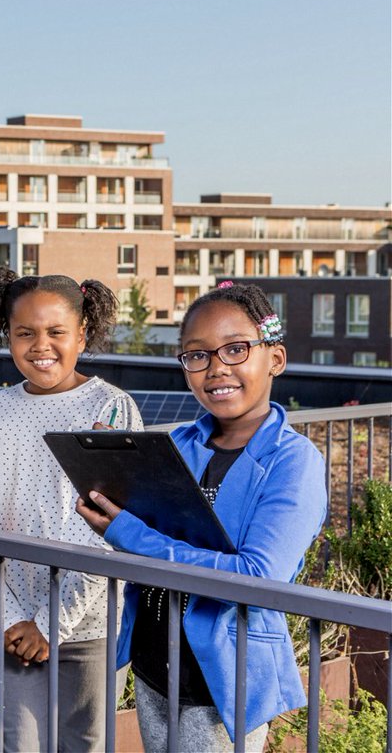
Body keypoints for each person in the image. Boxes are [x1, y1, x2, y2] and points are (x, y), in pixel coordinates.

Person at [76, 281, 326, 752]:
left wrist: (128, 531)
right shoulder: (180, 444)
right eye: (197, 355)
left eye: (235, 349)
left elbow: (257, 574)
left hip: (220, 680)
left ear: (275, 358)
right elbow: (151, 533)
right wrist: (108, 482)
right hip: (155, 663)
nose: (216, 369)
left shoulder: (293, 462)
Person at [0, 267, 142, 752]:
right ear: (8, 337)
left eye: (56, 332)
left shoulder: (113, 409)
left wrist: (49, 623)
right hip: (12, 625)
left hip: (88, 625)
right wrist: (5, 616)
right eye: (25, 333)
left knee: (82, 745)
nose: (40, 345)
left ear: (82, 335)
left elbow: (109, 532)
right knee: (16, 743)